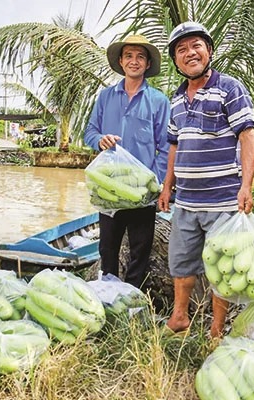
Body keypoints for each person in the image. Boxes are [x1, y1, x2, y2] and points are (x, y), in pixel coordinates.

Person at [157, 22, 254, 339]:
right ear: (176, 61)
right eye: (181, 49)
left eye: (196, 46)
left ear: (209, 51)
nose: (190, 53)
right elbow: (174, 145)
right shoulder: (174, 100)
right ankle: (179, 318)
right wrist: (167, 186)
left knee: (222, 268)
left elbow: (248, 136)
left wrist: (246, 186)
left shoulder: (229, 88)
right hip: (185, 202)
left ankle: (216, 330)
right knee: (182, 265)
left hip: (223, 201)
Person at [84, 35, 170, 290]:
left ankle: (133, 298)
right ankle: (108, 295)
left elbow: (165, 146)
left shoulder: (158, 101)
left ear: (147, 64)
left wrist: (154, 183)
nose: (134, 61)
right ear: (121, 62)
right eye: (129, 56)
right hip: (109, 189)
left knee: (140, 250)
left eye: (140, 57)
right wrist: (100, 140)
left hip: (141, 190)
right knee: (107, 247)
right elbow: (89, 132)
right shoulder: (106, 97)